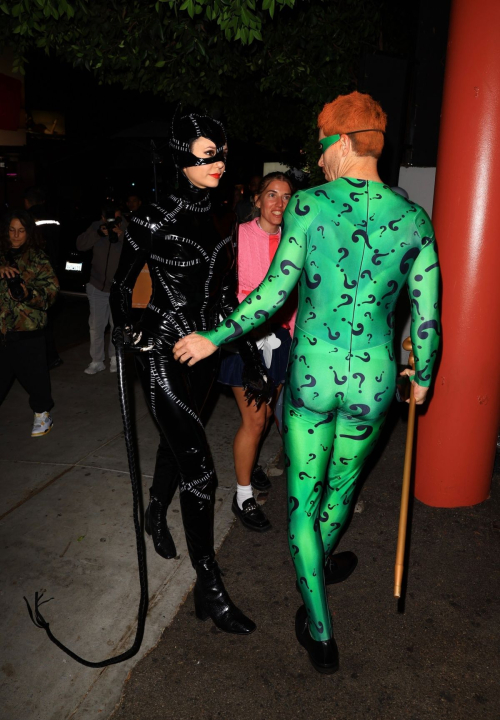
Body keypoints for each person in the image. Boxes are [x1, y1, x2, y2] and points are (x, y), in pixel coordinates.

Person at [173, 91, 441, 672]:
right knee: (339, 495)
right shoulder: (415, 219)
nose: (318, 163)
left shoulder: (310, 207)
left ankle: (318, 627)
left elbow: (271, 294)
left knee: (303, 501)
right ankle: (318, 558)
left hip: (314, 378)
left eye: (322, 148)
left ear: (343, 144)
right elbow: (427, 321)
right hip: (372, 384)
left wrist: (214, 337)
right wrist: (422, 376)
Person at [110, 112, 271, 636]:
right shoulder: (152, 218)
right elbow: (120, 288)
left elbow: (227, 297)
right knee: (201, 470)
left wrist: (246, 357)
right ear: (181, 159)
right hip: (162, 350)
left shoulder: (226, 217)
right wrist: (131, 331)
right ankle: (210, 585)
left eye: (222, 153)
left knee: (179, 446)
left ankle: (156, 510)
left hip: (206, 353)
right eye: (207, 155)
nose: (218, 163)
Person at [218, 172, 295, 532]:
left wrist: (291, 332)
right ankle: (242, 495)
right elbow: (232, 289)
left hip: (280, 339)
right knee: (254, 420)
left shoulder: (294, 241)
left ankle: (251, 469)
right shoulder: (238, 235)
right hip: (244, 340)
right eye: (272, 195)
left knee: (265, 416)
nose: (279, 203)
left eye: (286, 197)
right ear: (258, 199)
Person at [0, 209, 59, 436]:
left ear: (28, 232)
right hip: (2, 330)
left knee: (36, 378)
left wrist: (27, 294)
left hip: (28, 329)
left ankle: (42, 415)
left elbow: (51, 293)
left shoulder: (37, 258)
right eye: (12, 230)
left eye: (21, 231)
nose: (16, 235)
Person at [76, 205, 126, 374]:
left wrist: (121, 235)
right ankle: (97, 360)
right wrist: (98, 233)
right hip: (97, 285)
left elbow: (139, 249)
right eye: (109, 218)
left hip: (118, 287)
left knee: (116, 326)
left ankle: (114, 358)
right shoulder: (96, 226)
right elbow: (80, 244)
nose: (112, 221)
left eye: (116, 217)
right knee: (96, 326)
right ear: (103, 217)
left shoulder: (128, 226)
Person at [24, 186, 63, 369]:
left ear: (27, 202)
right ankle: (50, 356)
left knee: (37, 318)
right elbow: (59, 240)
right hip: (51, 268)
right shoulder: (53, 216)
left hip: (35, 271)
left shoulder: (26, 218)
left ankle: (45, 358)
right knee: (46, 316)